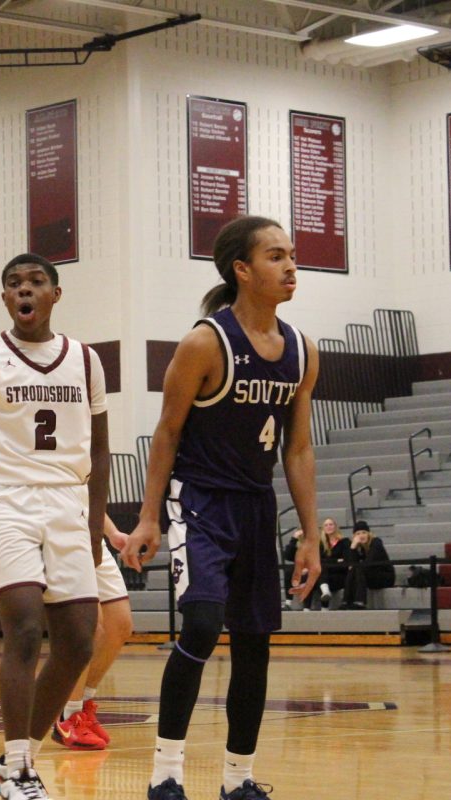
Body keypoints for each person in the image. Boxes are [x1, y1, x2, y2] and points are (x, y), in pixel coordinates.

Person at [121, 215, 321, 800]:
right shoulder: (205, 342)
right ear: (242, 269)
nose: (290, 266)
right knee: (204, 625)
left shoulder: (303, 351)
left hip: (258, 505)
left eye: (292, 256)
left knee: (254, 645)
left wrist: (309, 535)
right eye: (276, 256)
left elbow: (300, 448)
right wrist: (150, 516)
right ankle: (165, 772)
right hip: (200, 501)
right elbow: (166, 433)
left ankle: (239, 781)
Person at [0, 253, 110, 800]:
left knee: (79, 644)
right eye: (14, 283)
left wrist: (93, 528)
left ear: (55, 295)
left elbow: (103, 450)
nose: (25, 289)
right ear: (4, 298)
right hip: (7, 503)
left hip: (69, 503)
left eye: (36, 282)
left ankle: (16, 762)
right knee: (22, 627)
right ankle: (19, 769)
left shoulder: (86, 360)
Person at [52, 515, 135, 751]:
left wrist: (112, 532)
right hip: (58, 530)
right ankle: (70, 716)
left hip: (89, 532)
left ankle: (83, 705)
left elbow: (88, 489)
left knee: (119, 624)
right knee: (91, 625)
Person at [341, 520, 394, 609]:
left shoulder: (376, 542)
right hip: (367, 576)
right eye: (358, 533)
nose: (361, 536)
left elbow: (369, 563)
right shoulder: (358, 547)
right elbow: (350, 565)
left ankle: (359, 601)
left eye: (364, 532)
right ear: (354, 536)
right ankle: (346, 601)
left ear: (369, 534)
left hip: (384, 576)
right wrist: (353, 547)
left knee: (358, 568)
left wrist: (355, 565)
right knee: (355, 569)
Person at [310, 517, 350, 610]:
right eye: (326, 525)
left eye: (331, 524)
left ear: (335, 527)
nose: (329, 527)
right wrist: (336, 561)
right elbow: (317, 560)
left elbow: (346, 561)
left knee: (321, 571)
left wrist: (328, 562)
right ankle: (325, 593)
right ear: (323, 528)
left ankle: (324, 607)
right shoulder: (320, 544)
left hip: (340, 576)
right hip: (326, 576)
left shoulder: (344, 542)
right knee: (319, 573)